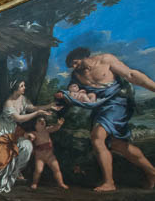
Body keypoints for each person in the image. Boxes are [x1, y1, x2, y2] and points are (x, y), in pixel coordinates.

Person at [61, 47, 155, 191]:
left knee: (97, 137)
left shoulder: (106, 60)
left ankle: (109, 182)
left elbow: (131, 74)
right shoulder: (77, 75)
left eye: (75, 62)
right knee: (119, 145)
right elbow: (73, 95)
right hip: (100, 108)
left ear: (83, 56)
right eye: (72, 65)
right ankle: (152, 172)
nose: (74, 67)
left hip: (118, 103)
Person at [28, 115, 68, 190]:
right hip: (40, 157)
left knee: (56, 169)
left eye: (44, 120)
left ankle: (61, 183)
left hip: (50, 156)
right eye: (39, 121)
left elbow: (54, 128)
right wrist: (30, 137)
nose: (42, 122)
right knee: (38, 170)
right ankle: (34, 183)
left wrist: (59, 124)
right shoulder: (34, 133)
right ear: (35, 124)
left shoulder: (47, 130)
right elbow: (29, 136)